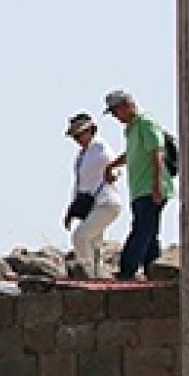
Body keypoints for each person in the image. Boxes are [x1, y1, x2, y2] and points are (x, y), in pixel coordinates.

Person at [104, 89, 174, 280]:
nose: (115, 116)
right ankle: (155, 269)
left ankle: (127, 269)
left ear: (126, 106)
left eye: (115, 111)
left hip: (150, 187)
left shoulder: (145, 123)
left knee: (142, 229)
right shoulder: (131, 129)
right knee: (149, 232)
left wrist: (157, 184)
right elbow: (132, 154)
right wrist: (112, 165)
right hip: (139, 189)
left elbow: (157, 152)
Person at [63, 112, 124, 279]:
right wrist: (71, 210)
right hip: (92, 204)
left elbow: (114, 166)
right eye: (75, 135)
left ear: (90, 130)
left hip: (106, 202)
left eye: (80, 133)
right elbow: (80, 185)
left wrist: (114, 173)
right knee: (94, 243)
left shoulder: (99, 147)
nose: (77, 138)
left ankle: (88, 274)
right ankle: (98, 277)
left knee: (80, 237)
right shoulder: (81, 156)